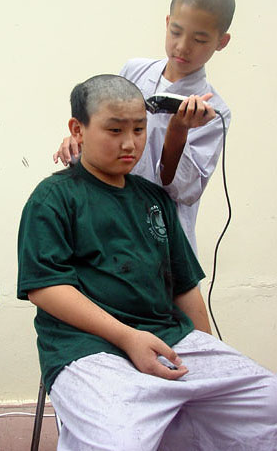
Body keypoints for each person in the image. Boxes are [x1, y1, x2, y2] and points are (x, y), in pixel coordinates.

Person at [18, 75, 277, 451]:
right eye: (114, 130)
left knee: (268, 402)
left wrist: (209, 354)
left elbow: (184, 286)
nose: (130, 143)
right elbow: (46, 287)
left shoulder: (154, 199)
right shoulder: (54, 198)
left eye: (139, 129)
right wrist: (128, 337)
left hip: (168, 338)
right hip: (87, 348)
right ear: (78, 129)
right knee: (118, 442)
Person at [54, 0, 235, 254]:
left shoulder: (214, 112)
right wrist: (80, 141)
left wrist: (178, 131)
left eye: (199, 39)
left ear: (222, 42)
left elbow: (184, 191)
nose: (182, 46)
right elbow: (105, 130)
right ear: (166, 23)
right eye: (176, 32)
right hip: (108, 218)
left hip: (161, 238)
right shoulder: (135, 71)